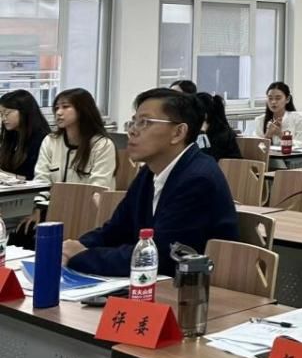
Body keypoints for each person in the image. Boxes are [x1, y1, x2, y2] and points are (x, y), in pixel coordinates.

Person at [65, 88, 239, 276]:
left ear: (178, 132)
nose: (132, 131)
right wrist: (76, 246)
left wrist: (82, 256)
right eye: (133, 122)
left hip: (193, 286)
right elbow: (116, 229)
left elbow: (161, 256)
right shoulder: (150, 171)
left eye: (144, 122)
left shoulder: (197, 178)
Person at [11, 88, 118, 248]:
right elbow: (42, 180)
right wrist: (38, 210)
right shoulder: (51, 141)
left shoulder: (102, 145)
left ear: (83, 110)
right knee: (22, 233)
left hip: (88, 213)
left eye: (65, 107)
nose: (59, 113)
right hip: (53, 210)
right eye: (56, 108)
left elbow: (98, 188)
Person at [0, 89, 50, 180]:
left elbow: (38, 179)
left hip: (30, 188)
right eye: (1, 114)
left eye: (7, 113)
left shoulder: (42, 139)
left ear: (24, 112)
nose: (3, 118)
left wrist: (6, 176)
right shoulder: (12, 136)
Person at [251, 81, 302, 147]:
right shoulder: (260, 120)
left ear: (287, 99)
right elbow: (257, 148)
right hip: (270, 154)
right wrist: (268, 135)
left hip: (291, 154)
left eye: (278, 98)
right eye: (270, 98)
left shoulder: (298, 118)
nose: (273, 102)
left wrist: (280, 134)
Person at [195, 92, 240, 162]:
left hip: (225, 168)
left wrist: (201, 134)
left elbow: (207, 160)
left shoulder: (221, 135)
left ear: (204, 115)